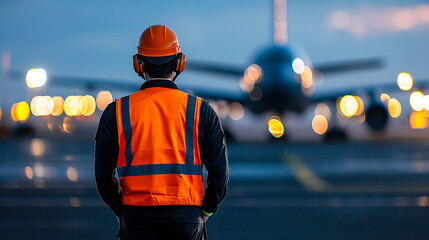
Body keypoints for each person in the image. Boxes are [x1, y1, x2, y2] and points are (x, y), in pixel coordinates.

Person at [94, 25, 229, 240]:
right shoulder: (201, 110)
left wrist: (120, 211)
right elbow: (219, 174)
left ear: (138, 64)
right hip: (186, 217)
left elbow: (103, 176)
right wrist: (205, 211)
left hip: (136, 217)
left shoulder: (116, 112)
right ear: (179, 63)